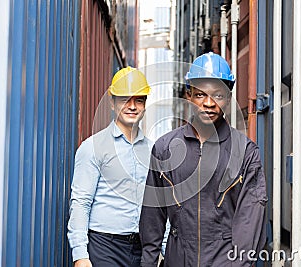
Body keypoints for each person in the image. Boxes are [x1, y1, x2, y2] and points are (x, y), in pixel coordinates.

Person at [139, 52, 268, 267]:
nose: (209, 103)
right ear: (188, 96)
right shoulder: (164, 149)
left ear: (228, 98)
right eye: (200, 95)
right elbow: (152, 218)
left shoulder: (245, 153)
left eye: (217, 95)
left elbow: (250, 221)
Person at [67, 67, 152, 267]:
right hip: (105, 247)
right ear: (112, 103)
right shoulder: (93, 148)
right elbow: (80, 202)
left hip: (143, 249)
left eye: (138, 100)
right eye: (125, 99)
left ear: (145, 105)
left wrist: (163, 249)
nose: (132, 106)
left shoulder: (153, 150)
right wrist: (80, 255)